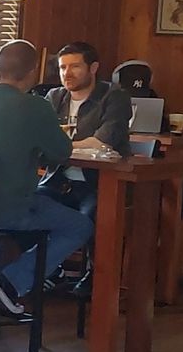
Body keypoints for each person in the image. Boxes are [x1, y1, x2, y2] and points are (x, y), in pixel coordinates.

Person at [0, 39, 96, 317]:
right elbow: (60, 153)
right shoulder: (35, 107)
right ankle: (10, 282)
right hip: (7, 208)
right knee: (78, 226)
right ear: (33, 72)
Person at [41, 41, 131, 220]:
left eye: (75, 67)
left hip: (98, 185)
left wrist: (60, 146)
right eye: (62, 67)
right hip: (56, 181)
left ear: (93, 68)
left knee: (88, 219)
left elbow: (102, 143)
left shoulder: (114, 97)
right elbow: (40, 138)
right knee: (29, 207)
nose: (67, 74)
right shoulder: (54, 97)